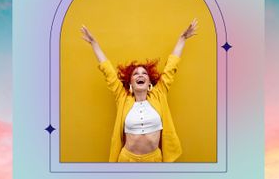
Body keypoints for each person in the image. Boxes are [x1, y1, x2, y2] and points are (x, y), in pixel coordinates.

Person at [80, 19, 198, 162]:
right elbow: (108, 72)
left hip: (154, 160)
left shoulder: (159, 94)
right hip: (127, 160)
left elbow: (170, 69)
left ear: (149, 81)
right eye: (135, 74)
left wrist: (182, 39)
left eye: (144, 73)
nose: (140, 75)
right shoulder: (122, 97)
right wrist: (94, 44)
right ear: (130, 82)